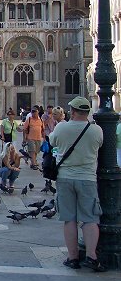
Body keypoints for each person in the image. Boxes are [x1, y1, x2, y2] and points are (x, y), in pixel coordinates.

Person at [50, 96, 105, 272]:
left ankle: (73, 257)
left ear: (72, 112)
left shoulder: (61, 127)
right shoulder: (96, 130)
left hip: (65, 178)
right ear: (87, 112)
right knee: (90, 218)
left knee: (69, 219)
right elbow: (101, 146)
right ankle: (91, 257)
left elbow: (52, 141)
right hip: (87, 178)